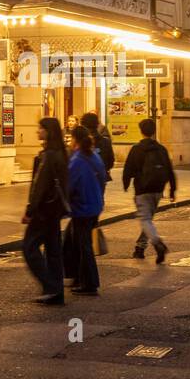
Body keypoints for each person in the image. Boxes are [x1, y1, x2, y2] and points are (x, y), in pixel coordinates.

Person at [21, 117, 69, 305]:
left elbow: (39, 186)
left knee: (29, 248)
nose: (37, 131)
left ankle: (50, 286)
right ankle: (56, 291)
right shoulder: (61, 154)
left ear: (48, 131)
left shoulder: (48, 156)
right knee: (53, 250)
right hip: (55, 209)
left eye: (40, 128)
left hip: (43, 210)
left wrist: (30, 210)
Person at [122, 118, 177, 264]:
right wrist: (172, 189)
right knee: (148, 221)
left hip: (142, 190)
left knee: (145, 220)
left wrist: (126, 184)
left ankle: (158, 244)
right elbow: (170, 170)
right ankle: (140, 248)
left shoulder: (137, 149)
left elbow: (128, 169)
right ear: (154, 131)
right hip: (158, 190)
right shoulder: (161, 149)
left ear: (141, 131)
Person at [67, 124, 107, 295]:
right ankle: (80, 278)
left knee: (84, 246)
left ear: (75, 140)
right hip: (94, 205)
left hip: (82, 208)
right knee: (80, 243)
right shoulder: (95, 156)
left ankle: (90, 283)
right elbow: (103, 179)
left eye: (70, 138)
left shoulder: (77, 160)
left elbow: (69, 186)